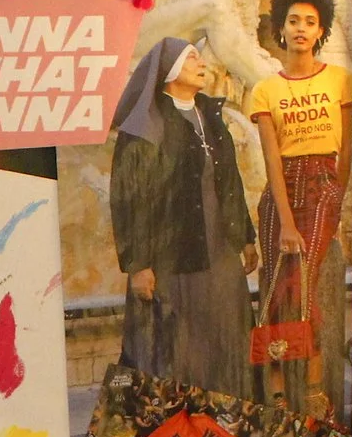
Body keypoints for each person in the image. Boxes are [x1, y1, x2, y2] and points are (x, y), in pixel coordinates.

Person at [109, 38, 258, 398]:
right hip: (173, 254)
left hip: (220, 249)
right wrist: (138, 264)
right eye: (191, 58)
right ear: (170, 70)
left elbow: (230, 180)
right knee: (179, 343)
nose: (201, 63)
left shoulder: (210, 114)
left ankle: (228, 417)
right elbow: (128, 197)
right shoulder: (147, 125)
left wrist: (246, 237)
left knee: (226, 331)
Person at [246, 0, 352, 415]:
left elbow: (346, 148)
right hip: (282, 188)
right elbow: (272, 159)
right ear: (281, 27)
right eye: (293, 20)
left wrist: (336, 192)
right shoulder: (265, 90)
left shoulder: (339, 80)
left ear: (321, 30)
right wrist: (286, 220)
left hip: (322, 181)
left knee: (304, 280)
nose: (301, 29)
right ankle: (273, 386)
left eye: (310, 22)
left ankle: (311, 383)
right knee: (276, 283)